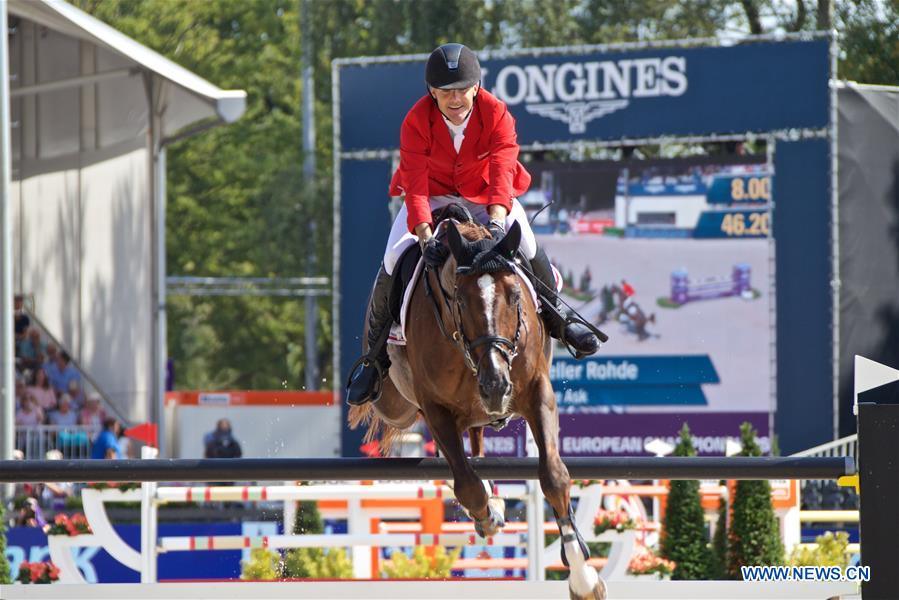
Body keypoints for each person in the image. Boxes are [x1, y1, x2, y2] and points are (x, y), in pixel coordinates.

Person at [345, 43, 600, 406]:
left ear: (476, 87)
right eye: (445, 92)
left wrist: (497, 223)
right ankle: (374, 360)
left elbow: (502, 174)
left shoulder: (497, 114)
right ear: (432, 92)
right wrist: (423, 236)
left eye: (461, 89)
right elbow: (415, 186)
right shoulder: (416, 121)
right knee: (392, 261)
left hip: (485, 198)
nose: (454, 98)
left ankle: (561, 320)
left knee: (528, 247)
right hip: (431, 198)